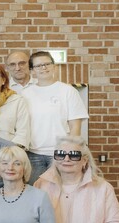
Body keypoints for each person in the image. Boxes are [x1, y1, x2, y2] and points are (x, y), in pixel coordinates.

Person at [23, 51, 88, 180]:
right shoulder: (25, 94)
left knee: (61, 194)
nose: (44, 68)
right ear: (32, 71)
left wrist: (67, 153)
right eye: (38, 65)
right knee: (37, 194)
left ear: (54, 66)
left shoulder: (68, 91)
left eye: (47, 64)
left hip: (61, 155)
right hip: (32, 155)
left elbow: (75, 126)